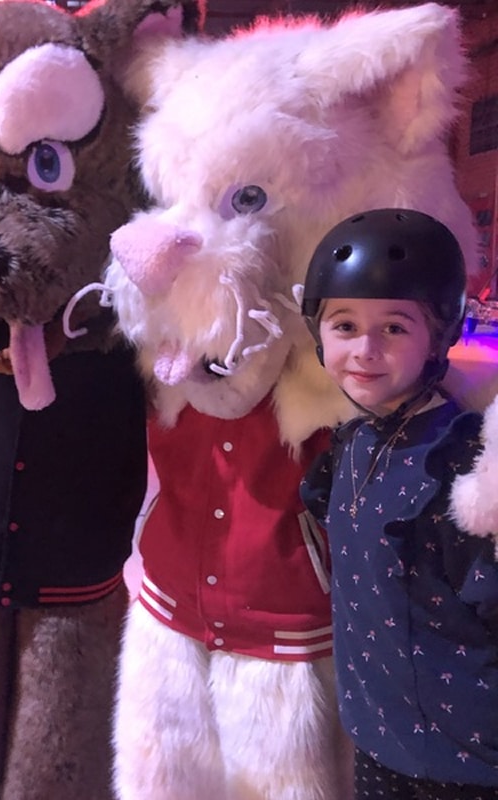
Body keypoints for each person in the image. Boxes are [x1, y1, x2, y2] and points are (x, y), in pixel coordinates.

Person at [299, 208, 498, 799]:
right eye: (343, 326)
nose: (364, 350)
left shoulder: (458, 462)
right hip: (379, 737)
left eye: (394, 328)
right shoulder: (352, 442)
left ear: (438, 336)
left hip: (465, 761)